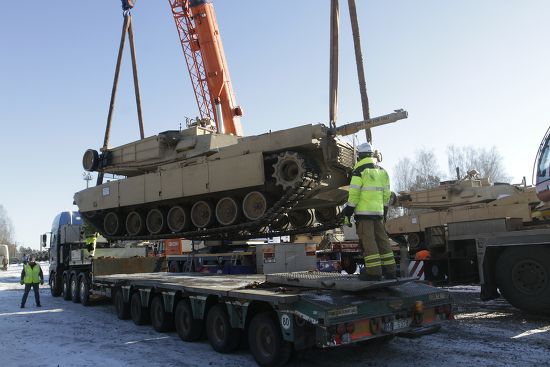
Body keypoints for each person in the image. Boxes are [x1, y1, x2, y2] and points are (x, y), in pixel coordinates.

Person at [343, 142, 397, 281]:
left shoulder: (359, 171)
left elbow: (354, 195)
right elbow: (386, 194)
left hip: (364, 214)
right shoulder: (382, 171)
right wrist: (384, 211)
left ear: (359, 156)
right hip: (378, 213)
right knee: (382, 240)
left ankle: (374, 273)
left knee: (369, 242)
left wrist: (348, 211)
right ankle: (390, 271)